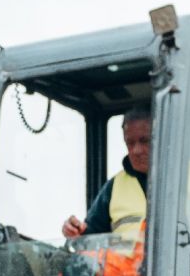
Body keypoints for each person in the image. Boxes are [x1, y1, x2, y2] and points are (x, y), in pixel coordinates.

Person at [62, 103, 153, 244]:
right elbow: (90, 239)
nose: (136, 150)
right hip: (125, 266)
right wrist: (75, 231)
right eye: (130, 143)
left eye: (144, 141)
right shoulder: (114, 187)